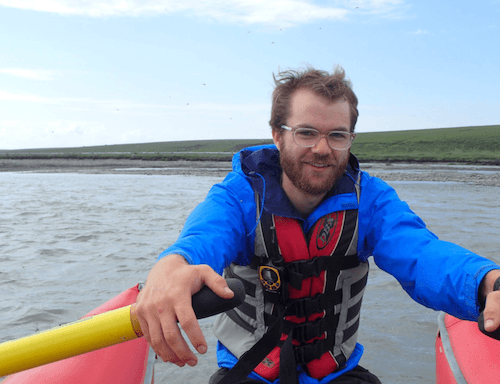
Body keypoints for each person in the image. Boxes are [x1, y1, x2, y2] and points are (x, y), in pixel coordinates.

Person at [135, 66, 500, 384]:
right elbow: (201, 238)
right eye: (306, 132)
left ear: (350, 140)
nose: (323, 148)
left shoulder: (370, 199)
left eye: (337, 135)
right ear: (278, 135)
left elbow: (421, 255)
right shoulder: (238, 196)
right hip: (249, 372)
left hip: (336, 375)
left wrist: (488, 282)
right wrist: (171, 266)